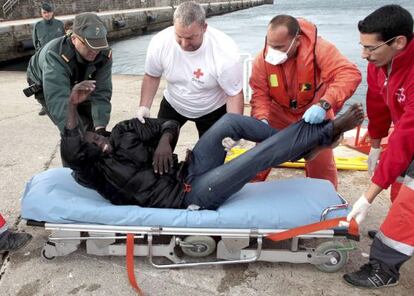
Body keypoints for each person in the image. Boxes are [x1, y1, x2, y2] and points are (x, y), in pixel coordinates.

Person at [61, 80, 364, 210]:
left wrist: (166, 140)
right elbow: (72, 150)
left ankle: (303, 147)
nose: (101, 140)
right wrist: (72, 106)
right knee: (255, 157)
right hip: (189, 196)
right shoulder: (94, 173)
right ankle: (324, 133)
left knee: (230, 123)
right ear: (85, 153)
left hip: (190, 168)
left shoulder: (124, 132)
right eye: (93, 143)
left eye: (98, 135)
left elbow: (167, 124)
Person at [343, 5, 414, 289]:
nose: (363, 55)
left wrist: (368, 196)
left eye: (370, 48)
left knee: (410, 203)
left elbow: (407, 136)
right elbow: (377, 103)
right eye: (361, 46)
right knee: (398, 182)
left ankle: (384, 268)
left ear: (399, 42)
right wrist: (375, 145)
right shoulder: (379, 65)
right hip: (408, 129)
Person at [249, 15, 362, 188]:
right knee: (259, 156)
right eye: (270, 45)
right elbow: (260, 94)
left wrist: (324, 104)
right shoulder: (262, 61)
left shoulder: (319, 49)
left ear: (297, 41)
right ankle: (249, 191)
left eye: (279, 46)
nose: (272, 51)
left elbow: (349, 74)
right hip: (278, 114)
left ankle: (325, 200)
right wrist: (261, 119)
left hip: (315, 113)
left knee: (321, 164)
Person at [137, 1, 244, 138]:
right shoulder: (160, 42)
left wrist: (233, 129)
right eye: (179, 36)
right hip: (174, 103)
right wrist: (144, 107)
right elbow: (152, 76)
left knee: (208, 157)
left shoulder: (225, 51)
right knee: (156, 147)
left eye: (190, 38)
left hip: (212, 109)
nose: (184, 44)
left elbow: (234, 94)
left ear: (204, 28)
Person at [26, 12, 112, 136]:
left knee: (92, 125)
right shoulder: (55, 55)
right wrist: (76, 135)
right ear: (74, 39)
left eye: (98, 45)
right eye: (89, 46)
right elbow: (58, 100)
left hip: (78, 77)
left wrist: (101, 128)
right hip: (45, 82)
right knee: (75, 131)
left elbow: (102, 91)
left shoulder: (104, 53)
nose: (95, 51)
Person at [32, 3, 65, 116]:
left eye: (48, 12)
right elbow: (35, 43)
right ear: (42, 13)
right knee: (42, 83)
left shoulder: (60, 24)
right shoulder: (38, 25)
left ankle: (61, 105)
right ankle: (45, 106)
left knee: (60, 82)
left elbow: (64, 41)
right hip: (43, 59)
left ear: (52, 12)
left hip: (58, 58)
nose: (47, 14)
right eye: (44, 13)